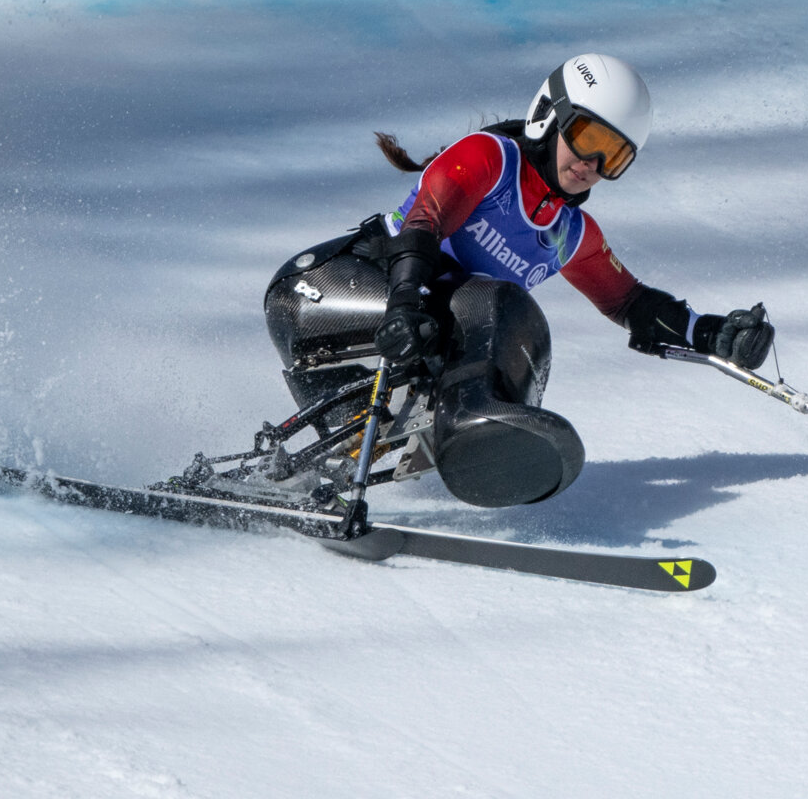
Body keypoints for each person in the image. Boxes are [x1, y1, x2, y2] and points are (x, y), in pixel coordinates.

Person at [262, 53, 773, 509]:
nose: (592, 165)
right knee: (500, 304)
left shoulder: (570, 232)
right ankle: (477, 425)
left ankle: (466, 442)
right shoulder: (491, 157)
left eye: (614, 157)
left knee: (516, 328)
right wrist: (405, 303)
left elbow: (630, 302)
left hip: (408, 332)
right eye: (589, 140)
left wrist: (711, 334)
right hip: (326, 292)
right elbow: (423, 225)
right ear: (549, 115)